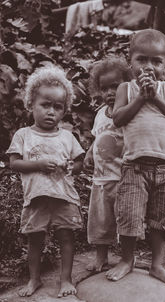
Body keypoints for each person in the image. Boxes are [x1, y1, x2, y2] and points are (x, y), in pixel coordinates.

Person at [106, 29, 165, 285]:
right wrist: (141, 96)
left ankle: (157, 265)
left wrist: (156, 97)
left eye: (156, 61)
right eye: (142, 59)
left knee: (163, 219)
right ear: (131, 61)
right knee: (129, 215)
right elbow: (118, 118)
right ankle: (127, 259)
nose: (148, 66)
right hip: (134, 167)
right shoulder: (126, 89)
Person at [6, 65, 85, 299]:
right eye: (45, 105)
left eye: (58, 107)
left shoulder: (67, 137)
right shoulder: (23, 135)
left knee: (66, 237)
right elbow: (14, 163)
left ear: (65, 110)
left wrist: (73, 167)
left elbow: (79, 163)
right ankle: (34, 279)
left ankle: (66, 280)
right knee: (35, 240)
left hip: (63, 197)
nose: (51, 112)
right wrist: (39, 165)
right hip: (36, 198)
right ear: (31, 104)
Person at [84, 57, 131, 272]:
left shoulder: (128, 111)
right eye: (104, 88)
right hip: (101, 180)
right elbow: (97, 137)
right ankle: (101, 257)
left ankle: (127, 258)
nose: (110, 93)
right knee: (100, 222)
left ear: (127, 84)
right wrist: (88, 152)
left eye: (115, 86)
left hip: (123, 178)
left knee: (126, 221)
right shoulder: (100, 114)